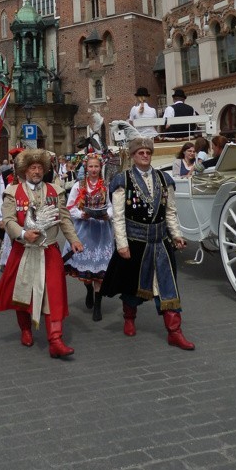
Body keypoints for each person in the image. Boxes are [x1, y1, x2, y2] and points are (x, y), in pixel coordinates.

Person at [101, 137, 195, 350]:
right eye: (140, 153)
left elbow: (170, 211)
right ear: (133, 156)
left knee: (168, 287)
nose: (145, 156)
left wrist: (177, 234)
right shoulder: (122, 180)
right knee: (132, 286)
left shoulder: (164, 179)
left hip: (160, 242)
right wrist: (121, 244)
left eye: (148, 153)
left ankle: (174, 332)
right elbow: (118, 215)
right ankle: (129, 317)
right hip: (135, 242)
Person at [0, 148, 83, 359]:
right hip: (23, 250)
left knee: (54, 293)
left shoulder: (55, 191)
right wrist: (23, 234)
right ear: (24, 170)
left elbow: (65, 219)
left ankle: (55, 340)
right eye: (32, 167)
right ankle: (25, 329)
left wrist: (74, 240)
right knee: (24, 292)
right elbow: (8, 220)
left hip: (49, 250)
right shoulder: (12, 192)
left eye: (40, 167)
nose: (37, 171)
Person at [62, 152, 114, 322]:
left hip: (101, 230)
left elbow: (113, 207)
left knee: (99, 270)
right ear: (86, 167)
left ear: (100, 168)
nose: (93, 169)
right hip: (85, 229)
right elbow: (69, 207)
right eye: (90, 166)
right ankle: (88, 289)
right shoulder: (79, 186)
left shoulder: (106, 186)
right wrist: (80, 214)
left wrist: (108, 215)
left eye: (96, 166)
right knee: (87, 269)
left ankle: (98, 306)